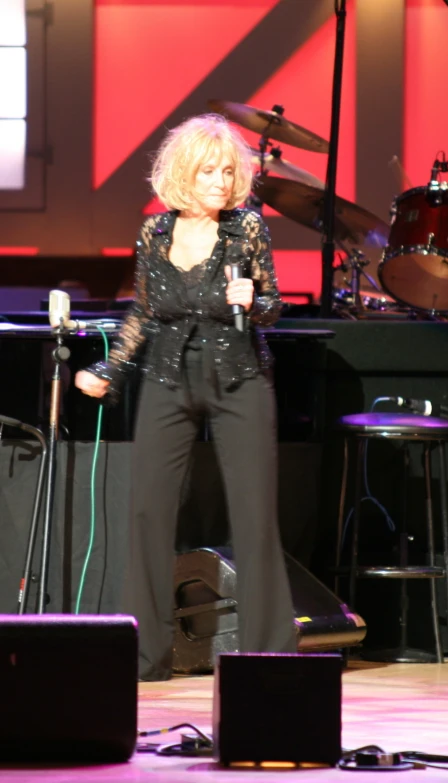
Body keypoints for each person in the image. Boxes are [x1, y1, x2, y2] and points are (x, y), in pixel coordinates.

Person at [75, 113, 297, 680]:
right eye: (208, 172)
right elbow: (146, 312)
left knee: (253, 516)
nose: (221, 181)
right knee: (148, 512)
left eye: (229, 171)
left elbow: (270, 305)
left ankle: (268, 658)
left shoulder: (246, 229)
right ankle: (146, 658)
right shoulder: (155, 233)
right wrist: (112, 367)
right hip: (169, 376)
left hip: (239, 375)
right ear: (182, 174)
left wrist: (256, 297)